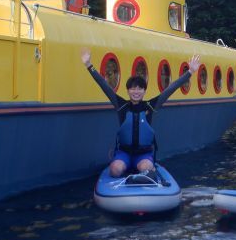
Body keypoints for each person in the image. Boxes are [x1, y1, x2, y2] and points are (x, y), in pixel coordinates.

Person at [81, 48, 202, 178]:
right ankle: (124, 170)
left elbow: (171, 88)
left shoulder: (151, 106)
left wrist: (190, 72)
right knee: (115, 170)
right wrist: (88, 65)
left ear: (144, 91)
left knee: (147, 169)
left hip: (143, 155)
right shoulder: (121, 105)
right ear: (128, 91)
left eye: (140, 89)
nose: (136, 92)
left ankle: (143, 172)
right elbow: (103, 85)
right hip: (124, 154)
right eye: (133, 89)